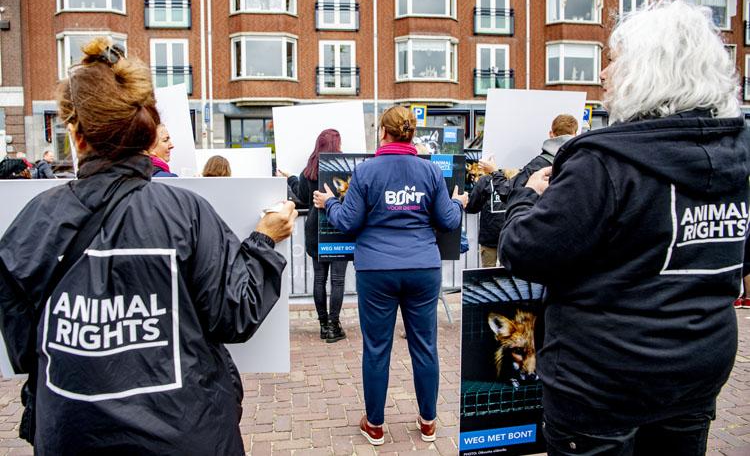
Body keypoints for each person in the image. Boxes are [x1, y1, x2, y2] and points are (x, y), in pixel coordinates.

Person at [0, 37, 297, 455]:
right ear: (143, 130)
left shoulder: (33, 221)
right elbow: (236, 312)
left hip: (72, 432)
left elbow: (24, 348)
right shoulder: (184, 212)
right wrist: (265, 240)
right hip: (186, 433)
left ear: (76, 134)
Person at [498, 0, 750, 456]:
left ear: (648, 71)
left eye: (614, 61)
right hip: (696, 366)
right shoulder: (736, 158)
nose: (604, 75)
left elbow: (526, 250)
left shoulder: (604, 162)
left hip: (603, 382)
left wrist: (526, 197)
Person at [313, 106, 468, 446]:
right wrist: (459, 203)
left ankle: (376, 425)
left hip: (376, 270)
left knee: (377, 348)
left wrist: (329, 204)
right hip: (422, 268)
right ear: (411, 134)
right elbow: (447, 219)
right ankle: (428, 423)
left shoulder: (366, 172)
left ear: (384, 132)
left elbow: (349, 222)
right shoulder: (429, 171)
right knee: (425, 346)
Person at [280, 129, 348, 343]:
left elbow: (300, 196)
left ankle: (322, 325)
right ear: (337, 146)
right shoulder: (345, 170)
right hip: (338, 226)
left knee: (319, 278)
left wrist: (290, 177)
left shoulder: (308, 171)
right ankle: (333, 326)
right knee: (338, 280)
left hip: (314, 226)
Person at [465, 157, 517, 267]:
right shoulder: (521, 179)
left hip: (490, 236)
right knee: (511, 275)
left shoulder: (486, 180)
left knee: (488, 275)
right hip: (513, 235)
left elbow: (472, 207)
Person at [510, 114, 578, 191]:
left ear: (551, 134)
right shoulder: (584, 162)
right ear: (575, 135)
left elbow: (509, 192)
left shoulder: (538, 164)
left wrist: (494, 172)